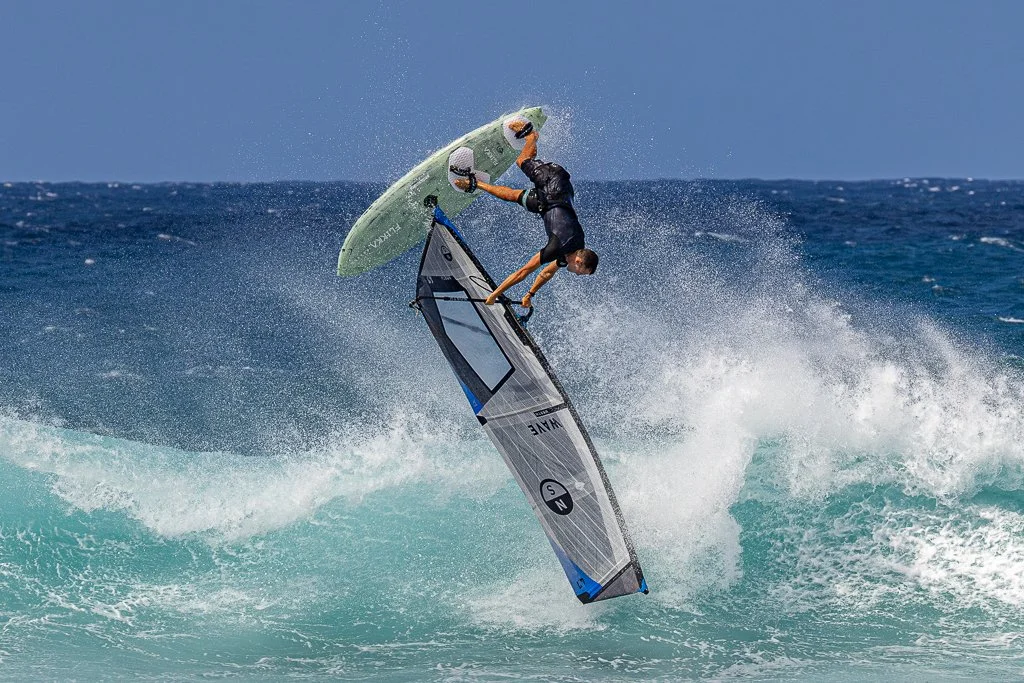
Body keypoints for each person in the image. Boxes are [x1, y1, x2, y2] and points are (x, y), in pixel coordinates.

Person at [453, 120, 598, 308]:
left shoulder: (574, 249)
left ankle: (475, 183)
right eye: (581, 272)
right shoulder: (559, 247)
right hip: (553, 185)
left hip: (550, 200)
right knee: (522, 161)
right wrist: (494, 295)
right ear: (578, 261)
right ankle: (530, 135)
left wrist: (529, 294)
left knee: (513, 197)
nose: (577, 274)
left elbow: (546, 273)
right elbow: (524, 272)